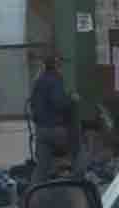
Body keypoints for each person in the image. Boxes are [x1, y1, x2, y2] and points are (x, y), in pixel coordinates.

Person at [30, 53, 87, 183]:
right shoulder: (55, 80)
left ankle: (33, 191)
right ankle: (78, 183)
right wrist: (72, 99)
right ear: (56, 66)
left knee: (42, 168)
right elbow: (59, 103)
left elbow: (34, 105)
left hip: (41, 131)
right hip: (56, 130)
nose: (61, 68)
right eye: (60, 65)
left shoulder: (38, 81)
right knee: (79, 152)